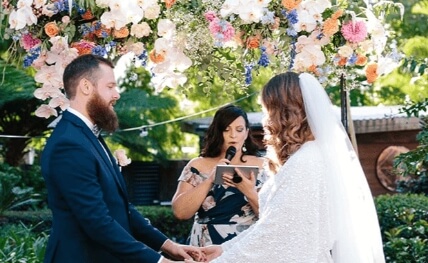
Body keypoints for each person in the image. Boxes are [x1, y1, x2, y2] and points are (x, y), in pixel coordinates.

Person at [200, 72, 385, 262]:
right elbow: (275, 224)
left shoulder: (306, 161)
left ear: (283, 113)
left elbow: (275, 234)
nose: (266, 120)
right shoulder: (311, 154)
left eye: (268, 111)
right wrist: (224, 249)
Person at [41, 54, 203, 263]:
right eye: (110, 86)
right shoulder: (69, 144)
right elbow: (97, 222)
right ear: (86, 87)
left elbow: (122, 208)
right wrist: (159, 262)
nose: (117, 94)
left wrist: (169, 246)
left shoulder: (88, 136)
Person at [171, 105, 267, 246]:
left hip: (246, 244)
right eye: (226, 130)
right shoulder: (197, 165)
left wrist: (249, 192)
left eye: (239, 130)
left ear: (246, 133)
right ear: (218, 132)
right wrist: (210, 179)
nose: (233, 135)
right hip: (206, 244)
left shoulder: (263, 166)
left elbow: (273, 217)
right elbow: (180, 213)